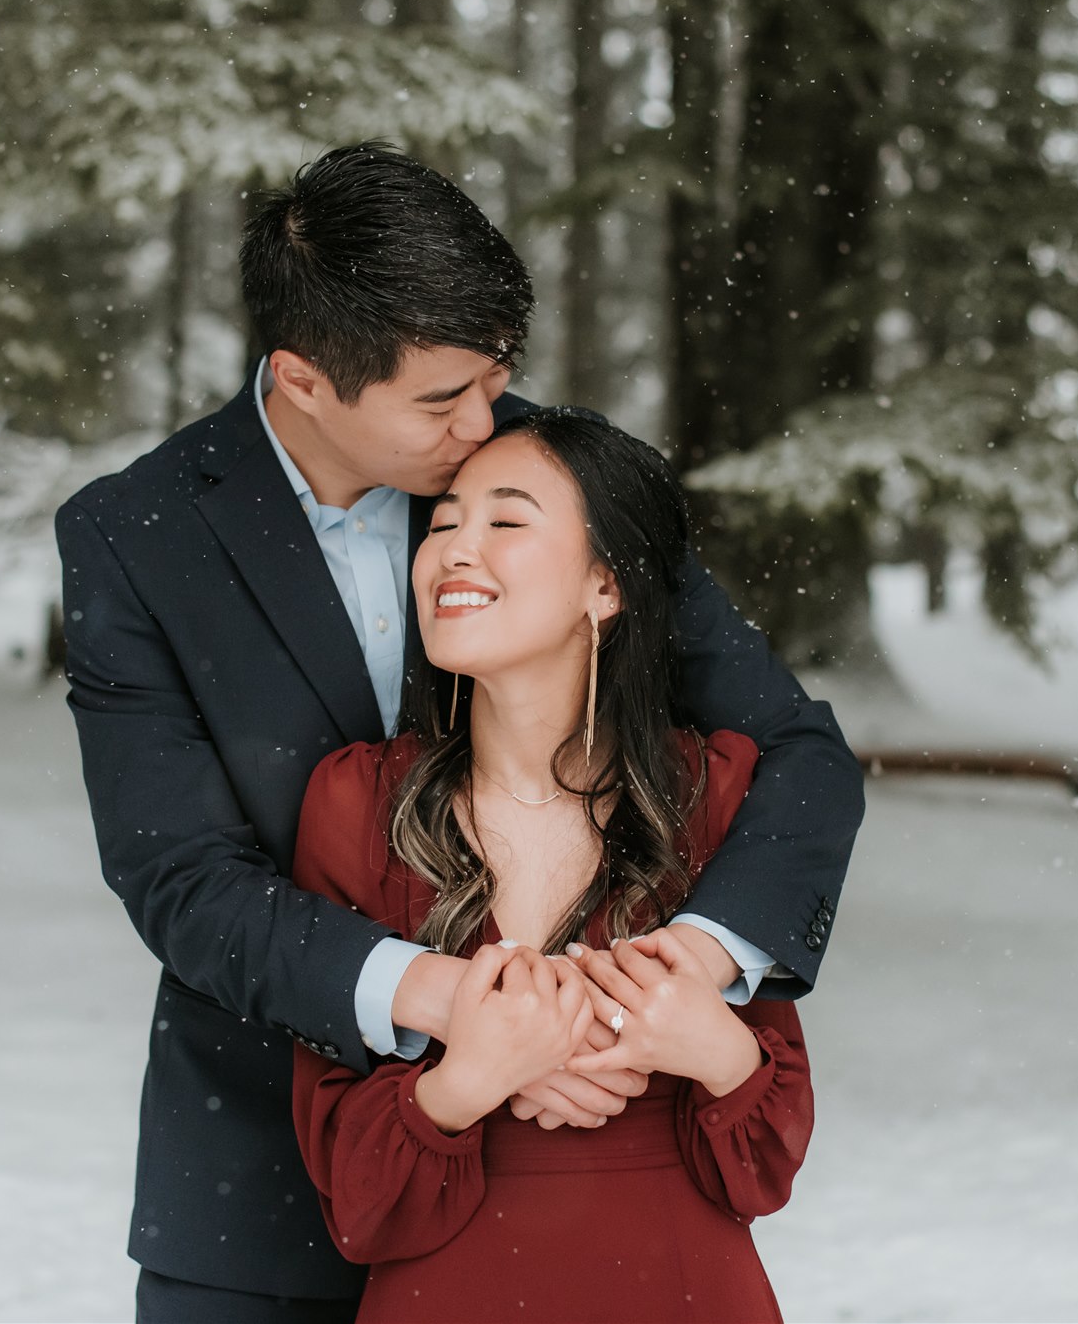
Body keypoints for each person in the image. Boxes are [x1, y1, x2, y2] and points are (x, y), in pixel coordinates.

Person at [55, 141, 862, 1323]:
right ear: (302, 379)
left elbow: (798, 753)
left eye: (494, 376)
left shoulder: (547, 476)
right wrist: (453, 1006)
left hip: (562, 1215)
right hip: (256, 1197)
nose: (485, 417)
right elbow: (178, 877)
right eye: (443, 399)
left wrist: (680, 967)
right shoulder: (135, 536)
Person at [292, 410, 811, 1322]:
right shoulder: (355, 806)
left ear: (604, 585)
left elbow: (764, 1167)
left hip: (684, 1290)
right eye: (444, 521)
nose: (454, 548)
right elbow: (354, 1193)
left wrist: (709, 1045)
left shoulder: (719, 793)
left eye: (507, 518)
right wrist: (467, 1080)